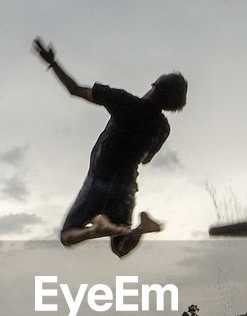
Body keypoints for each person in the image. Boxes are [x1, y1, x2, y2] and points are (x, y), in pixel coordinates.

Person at [33, 37, 187, 258]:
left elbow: (74, 89)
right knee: (121, 248)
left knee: (67, 235)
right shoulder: (163, 128)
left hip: (99, 180)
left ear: (154, 85)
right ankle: (140, 228)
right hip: (125, 188)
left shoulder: (125, 102)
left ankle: (96, 229)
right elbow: (146, 159)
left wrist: (52, 63)